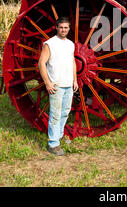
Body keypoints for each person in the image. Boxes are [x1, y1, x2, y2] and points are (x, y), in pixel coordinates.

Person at [38, 16, 78, 156]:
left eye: (66, 27)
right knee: (55, 114)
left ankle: (59, 136)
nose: (63, 30)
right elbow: (41, 63)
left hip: (68, 84)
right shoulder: (50, 44)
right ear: (56, 27)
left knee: (65, 111)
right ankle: (53, 143)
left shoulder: (70, 44)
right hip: (56, 84)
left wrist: (75, 80)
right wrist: (47, 83)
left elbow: (72, 62)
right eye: (61, 27)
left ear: (69, 28)